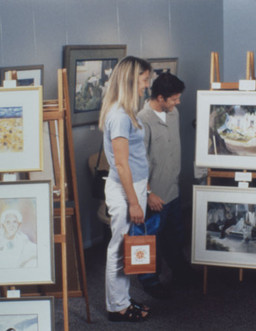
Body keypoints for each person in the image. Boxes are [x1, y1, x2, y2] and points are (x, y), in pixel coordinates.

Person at [98, 56, 152, 322]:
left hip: (134, 186)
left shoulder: (126, 112)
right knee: (120, 248)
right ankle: (117, 307)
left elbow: (135, 157)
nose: (146, 86)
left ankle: (123, 299)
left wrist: (145, 188)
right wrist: (133, 202)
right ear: (132, 80)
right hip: (124, 191)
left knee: (127, 247)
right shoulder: (119, 116)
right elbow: (120, 164)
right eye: (144, 80)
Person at [136, 73, 193, 298]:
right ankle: (150, 282)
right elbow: (139, 162)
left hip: (172, 190)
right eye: (174, 99)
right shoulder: (142, 120)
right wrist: (148, 193)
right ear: (160, 97)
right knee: (148, 240)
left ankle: (180, 272)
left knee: (175, 236)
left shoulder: (173, 113)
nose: (178, 102)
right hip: (154, 195)